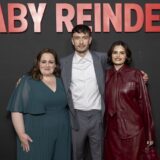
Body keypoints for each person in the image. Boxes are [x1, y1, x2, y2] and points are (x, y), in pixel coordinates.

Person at [60, 25, 148, 160]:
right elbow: (45, 71)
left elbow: (120, 68)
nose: (81, 42)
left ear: (90, 40)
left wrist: (140, 76)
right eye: (77, 38)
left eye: (84, 38)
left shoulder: (101, 58)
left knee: (99, 155)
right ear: (72, 41)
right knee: (76, 155)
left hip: (97, 115)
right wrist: (26, 78)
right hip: (76, 116)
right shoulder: (64, 63)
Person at [7, 48, 71, 160]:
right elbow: (16, 110)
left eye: (51, 62)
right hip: (37, 134)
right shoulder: (27, 81)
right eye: (43, 62)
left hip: (62, 133)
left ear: (56, 65)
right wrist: (21, 134)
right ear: (38, 63)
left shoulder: (62, 80)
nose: (47, 65)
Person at [104, 41, 156, 160]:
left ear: (127, 56)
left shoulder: (136, 75)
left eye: (122, 53)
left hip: (134, 132)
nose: (118, 56)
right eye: (115, 52)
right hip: (112, 134)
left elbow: (145, 105)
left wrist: (149, 134)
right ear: (110, 55)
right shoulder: (104, 75)